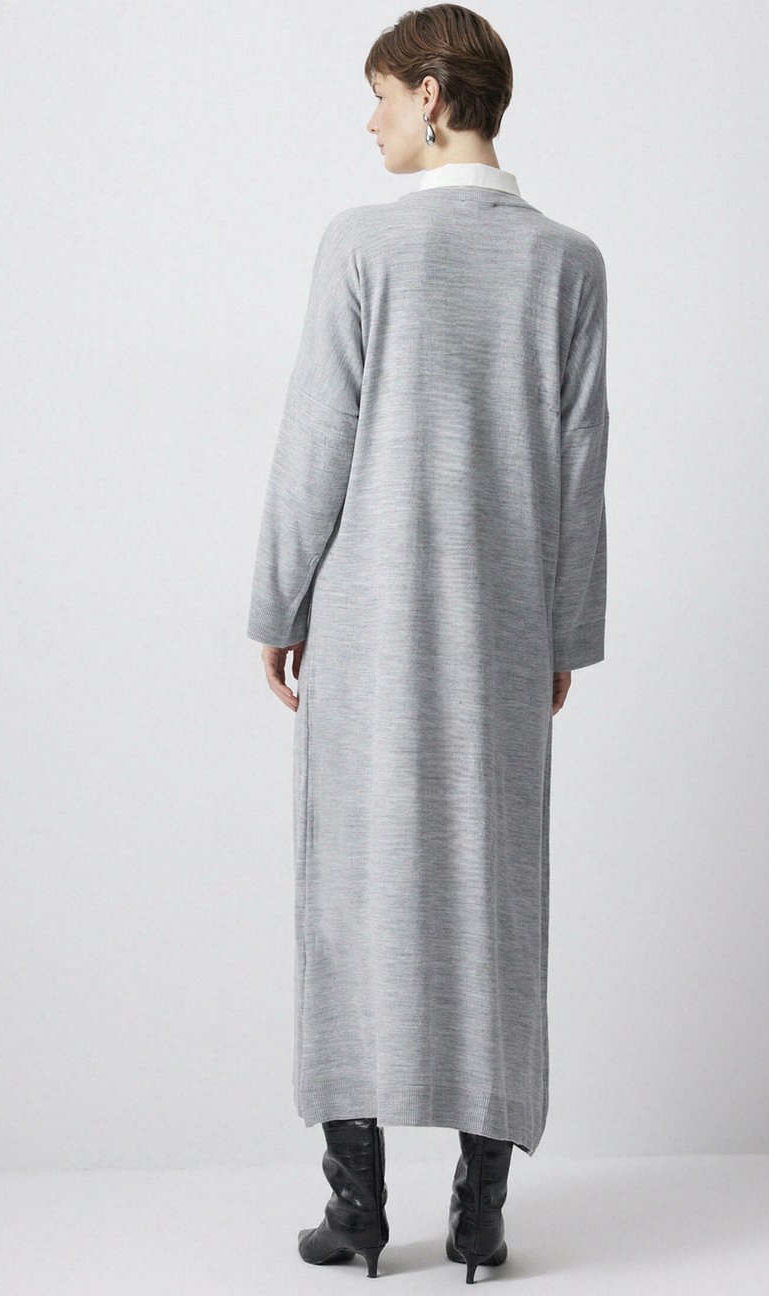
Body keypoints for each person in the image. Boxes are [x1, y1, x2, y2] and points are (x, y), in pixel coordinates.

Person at [246, 4, 609, 1281]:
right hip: (503, 633)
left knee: (351, 894)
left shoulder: (362, 247)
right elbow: (580, 470)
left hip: (367, 627)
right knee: (492, 897)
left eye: (384, 95)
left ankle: (356, 1213)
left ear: (435, 97)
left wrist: (275, 605)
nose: (373, 120)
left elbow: (316, 442)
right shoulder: (569, 263)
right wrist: (563, 634)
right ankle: (481, 1213)